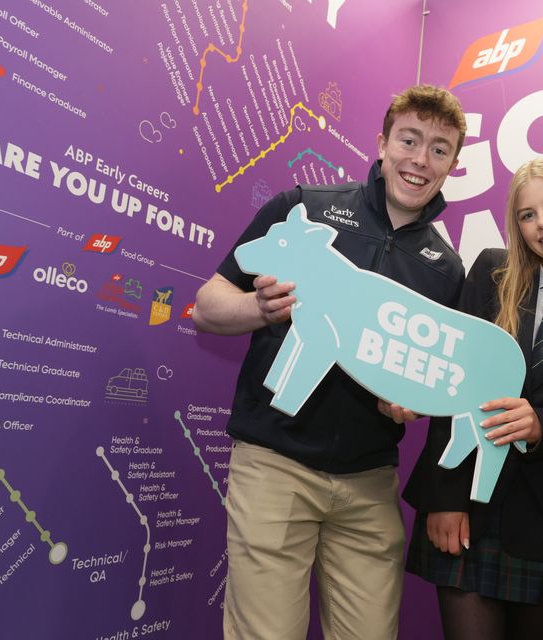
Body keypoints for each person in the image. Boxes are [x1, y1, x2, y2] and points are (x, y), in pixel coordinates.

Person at [192, 84, 467, 640]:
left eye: (439, 149)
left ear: (453, 164)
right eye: (409, 140)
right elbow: (206, 306)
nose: (420, 160)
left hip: (368, 485)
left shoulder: (445, 269)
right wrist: (258, 306)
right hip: (276, 465)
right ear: (382, 143)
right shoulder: (303, 209)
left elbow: (427, 384)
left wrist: (408, 400)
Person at [403, 157, 543, 640]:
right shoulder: (491, 273)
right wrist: (444, 498)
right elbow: (453, 385)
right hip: (468, 513)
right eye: (528, 214)